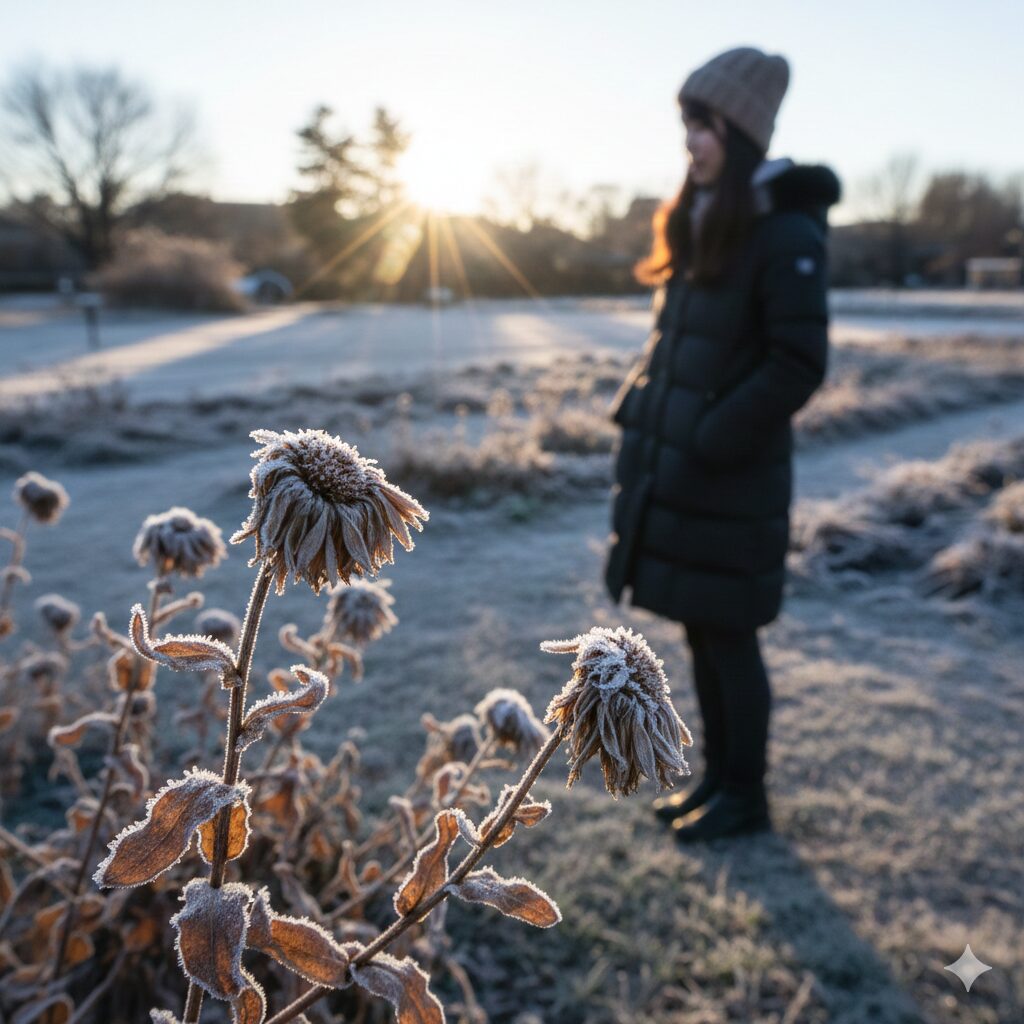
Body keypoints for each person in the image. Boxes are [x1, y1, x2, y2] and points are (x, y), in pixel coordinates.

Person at [604, 46, 841, 843]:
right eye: (686, 124)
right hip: (685, 475)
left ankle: (748, 797)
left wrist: (710, 434)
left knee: (730, 640)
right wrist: (640, 414)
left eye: (703, 125)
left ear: (738, 133)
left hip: (730, 478)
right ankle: (719, 782)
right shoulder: (708, 222)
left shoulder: (785, 234)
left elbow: (798, 362)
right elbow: (680, 349)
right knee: (703, 633)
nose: (690, 141)